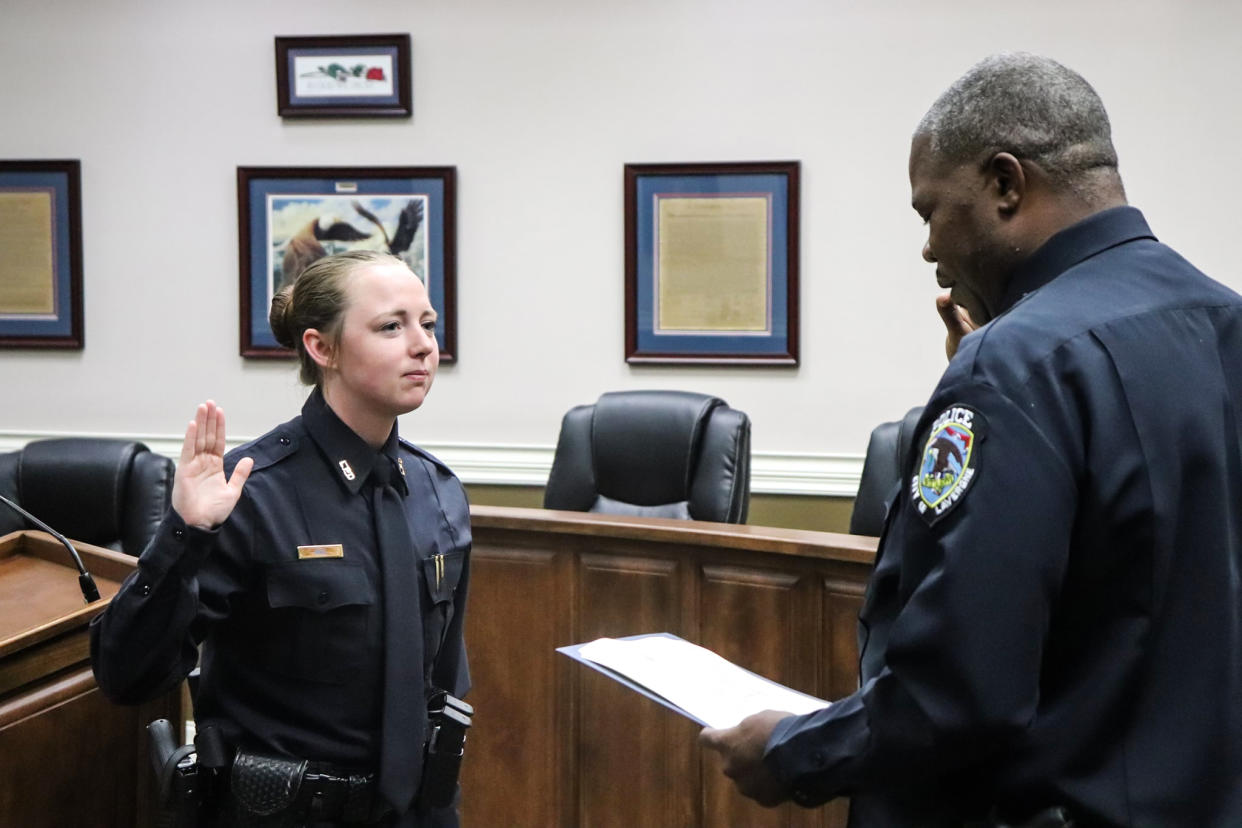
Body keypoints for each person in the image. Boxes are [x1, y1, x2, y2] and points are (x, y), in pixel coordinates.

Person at [700, 52, 1242, 826]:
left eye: (930, 212)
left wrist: (793, 751)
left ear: (1005, 184)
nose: (928, 248)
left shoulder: (1018, 365)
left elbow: (961, 690)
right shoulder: (1224, 321)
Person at [90, 250, 471, 827]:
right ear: (323, 349)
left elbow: (444, 685)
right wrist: (184, 534)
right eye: (392, 326)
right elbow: (127, 675)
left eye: (428, 323)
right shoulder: (248, 492)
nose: (422, 345)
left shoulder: (437, 491)